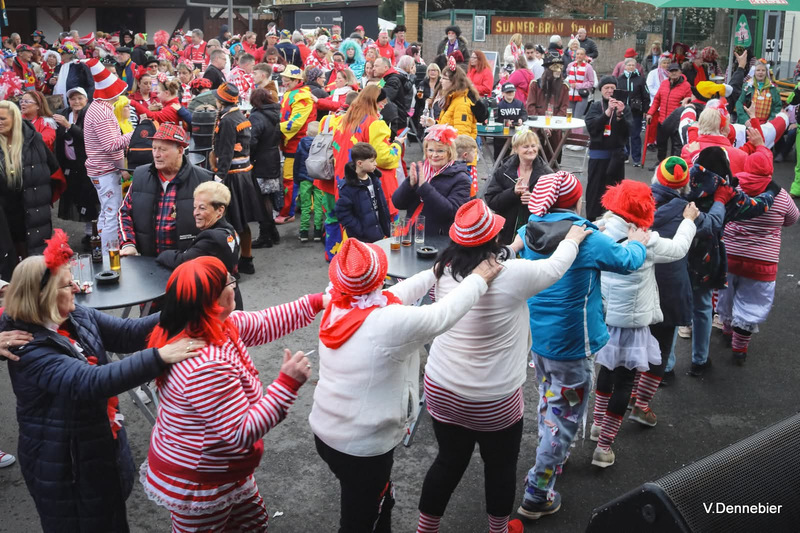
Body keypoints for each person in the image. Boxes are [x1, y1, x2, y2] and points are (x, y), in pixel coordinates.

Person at [1, 230, 204, 533]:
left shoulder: (75, 315)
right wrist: (161, 356)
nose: (76, 286)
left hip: (94, 452)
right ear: (43, 296)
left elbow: (126, 334)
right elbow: (90, 381)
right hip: (64, 468)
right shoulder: (28, 347)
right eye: (66, 284)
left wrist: (180, 312)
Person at [417, 199, 587, 533]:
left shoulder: (444, 268)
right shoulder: (514, 275)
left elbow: (490, 258)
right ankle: (498, 530)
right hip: (493, 399)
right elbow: (555, 267)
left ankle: (426, 529)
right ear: (493, 238)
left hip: (440, 387)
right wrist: (573, 239)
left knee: (448, 460)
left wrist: (514, 247)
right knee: (499, 466)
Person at [310, 237, 501, 533]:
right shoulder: (387, 323)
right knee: (358, 521)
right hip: (362, 448)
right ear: (379, 277)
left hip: (327, 431)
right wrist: (478, 279)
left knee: (375, 502)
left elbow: (395, 294)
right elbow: (441, 315)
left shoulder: (337, 300)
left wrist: (436, 270)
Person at [141, 256, 324, 532]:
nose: (235, 286)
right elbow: (242, 432)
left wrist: (318, 301)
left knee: (252, 522)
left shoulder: (214, 323)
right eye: (230, 282)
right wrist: (287, 384)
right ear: (213, 300)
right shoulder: (203, 365)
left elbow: (265, 322)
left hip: (224, 465)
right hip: (201, 479)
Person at [512, 171, 648, 520]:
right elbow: (628, 262)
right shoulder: (586, 238)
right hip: (574, 345)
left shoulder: (528, 230)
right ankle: (537, 491)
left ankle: (553, 453)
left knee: (549, 400)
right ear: (576, 200)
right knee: (564, 415)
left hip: (539, 340)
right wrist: (638, 240)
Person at [590, 180, 697, 467]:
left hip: (605, 319)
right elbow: (679, 248)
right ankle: (603, 447)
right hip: (633, 325)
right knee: (625, 382)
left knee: (606, 371)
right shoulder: (646, 239)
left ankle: (597, 425)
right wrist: (688, 221)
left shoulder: (601, 230)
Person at [718, 149, 798, 364]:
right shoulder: (780, 195)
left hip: (729, 256)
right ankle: (739, 347)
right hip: (762, 262)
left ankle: (727, 330)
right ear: (769, 171)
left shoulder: (733, 189)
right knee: (753, 302)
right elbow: (792, 218)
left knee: (726, 294)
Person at [118, 122, 211, 257]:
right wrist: (128, 244)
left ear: (180, 151)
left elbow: (215, 224)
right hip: (147, 260)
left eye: (162, 149)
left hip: (187, 262)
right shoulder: (140, 176)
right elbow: (124, 213)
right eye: (154, 148)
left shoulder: (203, 180)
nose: (156, 154)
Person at [156, 181, 244, 309]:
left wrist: (161, 254)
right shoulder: (229, 230)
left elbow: (182, 261)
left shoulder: (212, 238)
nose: (195, 213)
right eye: (195, 207)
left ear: (220, 210)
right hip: (230, 299)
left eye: (202, 208)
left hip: (217, 305)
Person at [0, 100, 62, 259]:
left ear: (15, 119)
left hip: (32, 212)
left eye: (2, 119)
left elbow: (54, 172)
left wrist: (41, 198)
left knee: (34, 261)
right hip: (6, 215)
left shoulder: (34, 140)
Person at [82, 58, 133, 251]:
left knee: (106, 212)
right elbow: (111, 145)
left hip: (101, 170)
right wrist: (134, 134)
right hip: (105, 171)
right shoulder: (103, 113)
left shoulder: (98, 108)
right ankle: (109, 254)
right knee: (112, 213)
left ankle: (102, 250)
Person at [212, 83, 263, 274]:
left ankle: (232, 266)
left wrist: (219, 178)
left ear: (221, 100)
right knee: (241, 223)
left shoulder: (227, 120)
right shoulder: (239, 116)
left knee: (232, 223)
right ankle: (246, 260)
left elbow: (225, 152)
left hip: (233, 177)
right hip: (244, 174)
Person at [392, 124, 470, 236]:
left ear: (450, 152)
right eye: (430, 150)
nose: (434, 155)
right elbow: (398, 203)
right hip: (411, 233)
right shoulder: (420, 169)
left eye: (440, 151)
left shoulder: (461, 178)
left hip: (438, 238)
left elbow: (451, 213)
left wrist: (424, 188)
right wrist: (409, 184)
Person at [485, 128, 551, 244]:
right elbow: (491, 200)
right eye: (525, 147)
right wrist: (512, 193)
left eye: (533, 146)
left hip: (536, 234)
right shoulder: (504, 170)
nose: (531, 150)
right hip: (507, 234)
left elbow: (557, 204)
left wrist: (536, 200)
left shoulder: (547, 173)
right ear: (515, 148)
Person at [53, 87, 97, 246]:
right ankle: (89, 233)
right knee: (77, 199)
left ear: (86, 100)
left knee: (90, 201)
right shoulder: (64, 113)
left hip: (88, 164)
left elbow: (88, 137)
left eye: (80, 98)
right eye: (73, 99)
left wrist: (69, 126)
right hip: (70, 165)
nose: (76, 102)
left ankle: (94, 235)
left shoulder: (92, 114)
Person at [584, 76, 631, 221]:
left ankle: (614, 220)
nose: (610, 91)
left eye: (612, 88)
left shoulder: (624, 107)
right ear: (601, 90)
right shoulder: (596, 106)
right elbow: (592, 127)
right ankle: (591, 219)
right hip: (598, 156)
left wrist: (620, 116)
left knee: (615, 191)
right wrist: (607, 113)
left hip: (616, 157)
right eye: (606, 88)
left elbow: (629, 131)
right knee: (595, 190)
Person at [278, 65, 316, 223]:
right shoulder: (290, 93)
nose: (283, 82)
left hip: (297, 145)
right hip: (290, 144)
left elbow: (295, 123)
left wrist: (274, 128)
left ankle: (288, 212)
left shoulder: (302, 97)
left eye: (286, 80)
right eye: (283, 79)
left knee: (290, 180)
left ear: (296, 81)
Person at [335, 142, 391, 243]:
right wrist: (359, 230)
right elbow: (342, 213)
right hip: (361, 239)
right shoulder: (348, 187)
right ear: (360, 163)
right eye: (372, 161)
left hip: (379, 233)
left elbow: (382, 205)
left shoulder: (374, 179)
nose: (376, 164)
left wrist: (386, 226)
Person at [249, 87, 283, 249]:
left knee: (261, 198)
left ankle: (265, 236)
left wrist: (248, 155)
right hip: (273, 157)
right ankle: (272, 232)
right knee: (267, 197)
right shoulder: (274, 114)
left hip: (260, 160)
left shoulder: (256, 116)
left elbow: (252, 140)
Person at [421, 57, 477, 139]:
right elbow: (448, 125)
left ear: (453, 82)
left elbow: (462, 137)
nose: (440, 81)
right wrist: (434, 124)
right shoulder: (452, 99)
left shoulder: (461, 104)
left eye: (444, 78)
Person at [647, 62, 691, 167]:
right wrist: (650, 113)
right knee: (661, 144)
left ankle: (672, 166)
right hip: (662, 120)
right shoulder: (664, 84)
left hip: (676, 121)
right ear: (668, 73)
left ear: (680, 72)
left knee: (676, 146)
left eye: (676, 71)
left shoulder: (686, 86)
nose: (674, 73)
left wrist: (687, 100)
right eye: (671, 71)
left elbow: (689, 102)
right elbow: (657, 100)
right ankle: (660, 164)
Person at [293, 121, 324, 242]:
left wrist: (296, 178)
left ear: (306, 133)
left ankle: (304, 232)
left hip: (304, 178)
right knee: (318, 206)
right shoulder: (323, 143)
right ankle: (317, 232)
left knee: (305, 206)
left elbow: (297, 162)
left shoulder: (302, 143)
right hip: (319, 178)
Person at [617, 58, 649, 167]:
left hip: (636, 111)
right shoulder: (619, 79)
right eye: (629, 65)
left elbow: (646, 95)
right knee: (624, 134)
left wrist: (645, 110)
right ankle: (625, 155)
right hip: (623, 111)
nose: (631, 67)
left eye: (633, 65)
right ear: (625, 66)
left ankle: (636, 158)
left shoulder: (640, 79)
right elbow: (616, 94)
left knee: (635, 135)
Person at [736, 60, 781, 124]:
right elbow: (739, 103)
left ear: (766, 72)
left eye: (763, 70)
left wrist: (771, 120)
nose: (760, 72)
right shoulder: (748, 86)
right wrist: (745, 119)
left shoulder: (773, 88)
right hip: (749, 122)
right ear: (754, 72)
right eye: (758, 70)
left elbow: (777, 106)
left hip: (766, 124)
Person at [52, 42, 94, 107]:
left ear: (70, 54)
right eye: (59, 53)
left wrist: (88, 100)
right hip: (61, 101)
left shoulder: (79, 65)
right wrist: (51, 81)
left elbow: (90, 83)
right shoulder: (60, 66)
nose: (60, 55)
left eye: (62, 53)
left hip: (77, 100)